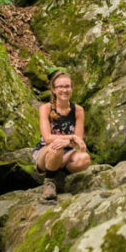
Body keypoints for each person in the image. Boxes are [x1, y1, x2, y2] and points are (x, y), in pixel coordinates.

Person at [32, 70, 91, 200]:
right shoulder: (45, 108)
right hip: (46, 153)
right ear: (53, 89)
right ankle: (49, 181)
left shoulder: (78, 110)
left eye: (67, 86)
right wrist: (70, 138)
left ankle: (59, 176)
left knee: (85, 158)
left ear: (72, 88)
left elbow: (78, 139)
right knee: (56, 146)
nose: (64, 90)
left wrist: (71, 142)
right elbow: (47, 138)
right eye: (60, 87)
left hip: (67, 153)